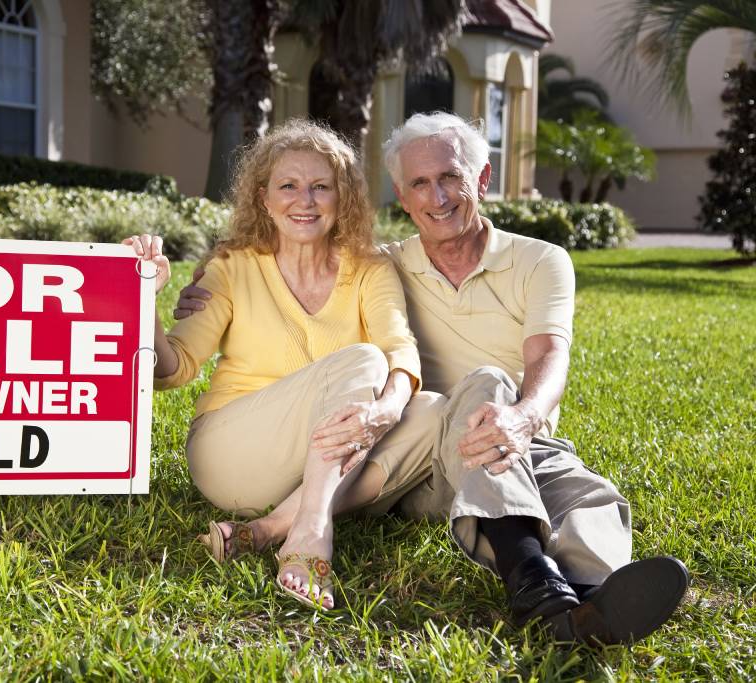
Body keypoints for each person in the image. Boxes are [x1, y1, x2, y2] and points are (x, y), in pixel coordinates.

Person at [174, 112, 689, 644]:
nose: (436, 197)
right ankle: (540, 587)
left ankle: (589, 601)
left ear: (482, 180)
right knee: (482, 384)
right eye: (420, 183)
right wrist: (201, 284)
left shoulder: (541, 260)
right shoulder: (386, 264)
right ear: (402, 195)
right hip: (423, 456)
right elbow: (314, 266)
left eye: (450, 177)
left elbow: (549, 356)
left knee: (589, 497)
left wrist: (524, 417)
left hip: (516, 434)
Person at [125, 119, 445, 610]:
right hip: (232, 453)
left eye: (321, 187)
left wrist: (387, 410)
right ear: (263, 198)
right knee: (363, 360)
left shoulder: (370, 268)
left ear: (343, 198)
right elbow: (173, 369)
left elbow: (399, 348)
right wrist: (144, 298)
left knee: (432, 411)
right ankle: (313, 529)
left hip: (319, 460)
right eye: (288, 186)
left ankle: (274, 527)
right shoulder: (231, 268)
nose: (306, 201)